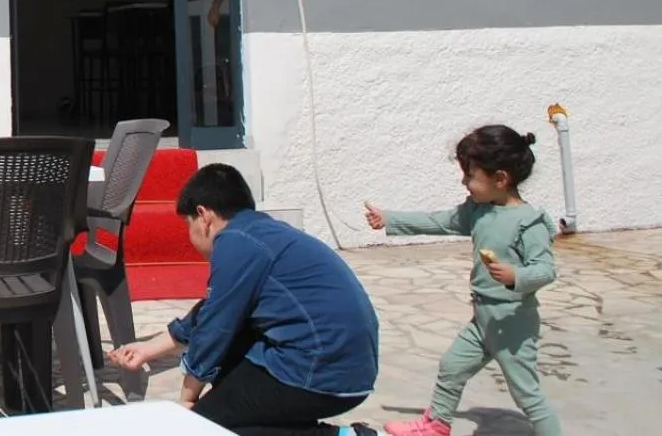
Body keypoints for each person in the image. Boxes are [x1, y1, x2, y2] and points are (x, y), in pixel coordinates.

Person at [108, 164, 379, 436]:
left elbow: (214, 330)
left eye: (187, 224)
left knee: (206, 428)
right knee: (232, 384)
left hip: (320, 371)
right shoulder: (260, 233)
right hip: (348, 368)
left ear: (203, 216)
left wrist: (188, 400)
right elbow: (211, 311)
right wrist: (148, 349)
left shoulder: (236, 243)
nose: (189, 235)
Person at [365, 125, 560, 436]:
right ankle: (436, 425)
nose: (464, 182)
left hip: (511, 322)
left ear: (500, 179)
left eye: (471, 175)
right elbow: (439, 221)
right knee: (452, 367)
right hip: (482, 318)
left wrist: (517, 276)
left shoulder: (529, 222)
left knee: (527, 395)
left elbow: (546, 269)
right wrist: (390, 218)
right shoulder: (479, 211)